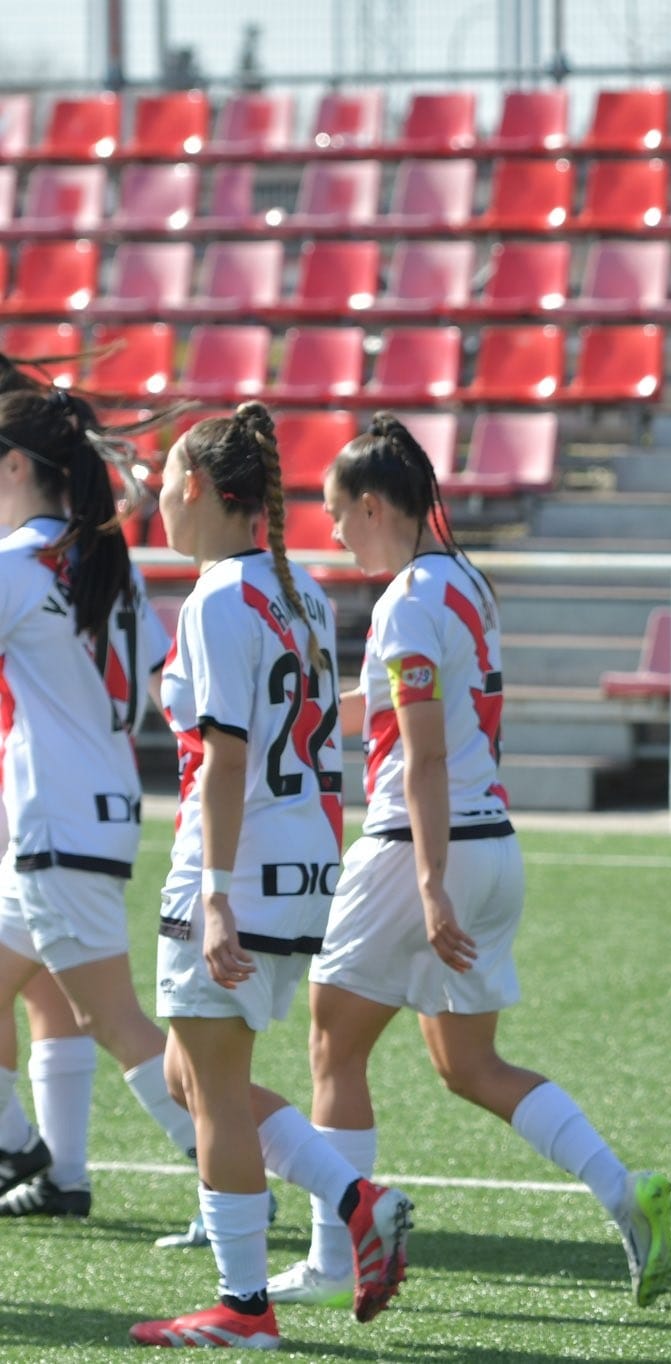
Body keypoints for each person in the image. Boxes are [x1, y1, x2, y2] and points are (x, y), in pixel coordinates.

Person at [265, 413, 671, 1311]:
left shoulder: (406, 599)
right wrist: (290, 716)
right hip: (492, 847)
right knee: (468, 1066)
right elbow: (395, 711)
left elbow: (422, 753)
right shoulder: (463, 586)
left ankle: (338, 1261)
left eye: (337, 513)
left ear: (374, 505)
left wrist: (427, 882)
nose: (333, 532)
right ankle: (624, 1191)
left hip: (422, 851)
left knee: (333, 1041)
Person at [129, 404, 416, 1349]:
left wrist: (211, 893)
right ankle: (352, 1195)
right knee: (189, 1075)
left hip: (238, 870)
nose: (159, 498)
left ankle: (245, 1307)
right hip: (305, 863)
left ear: (203, 489)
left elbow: (221, 757)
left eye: (168, 480)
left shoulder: (216, 596)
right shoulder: (298, 592)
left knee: (210, 1089)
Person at [0, 390, 203, 1222]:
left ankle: (246, 1170)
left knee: (117, 1024)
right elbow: (170, 690)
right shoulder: (106, 561)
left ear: (14, 464)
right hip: (85, 809)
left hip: (59, 817)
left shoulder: (18, 564)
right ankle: (29, 1154)